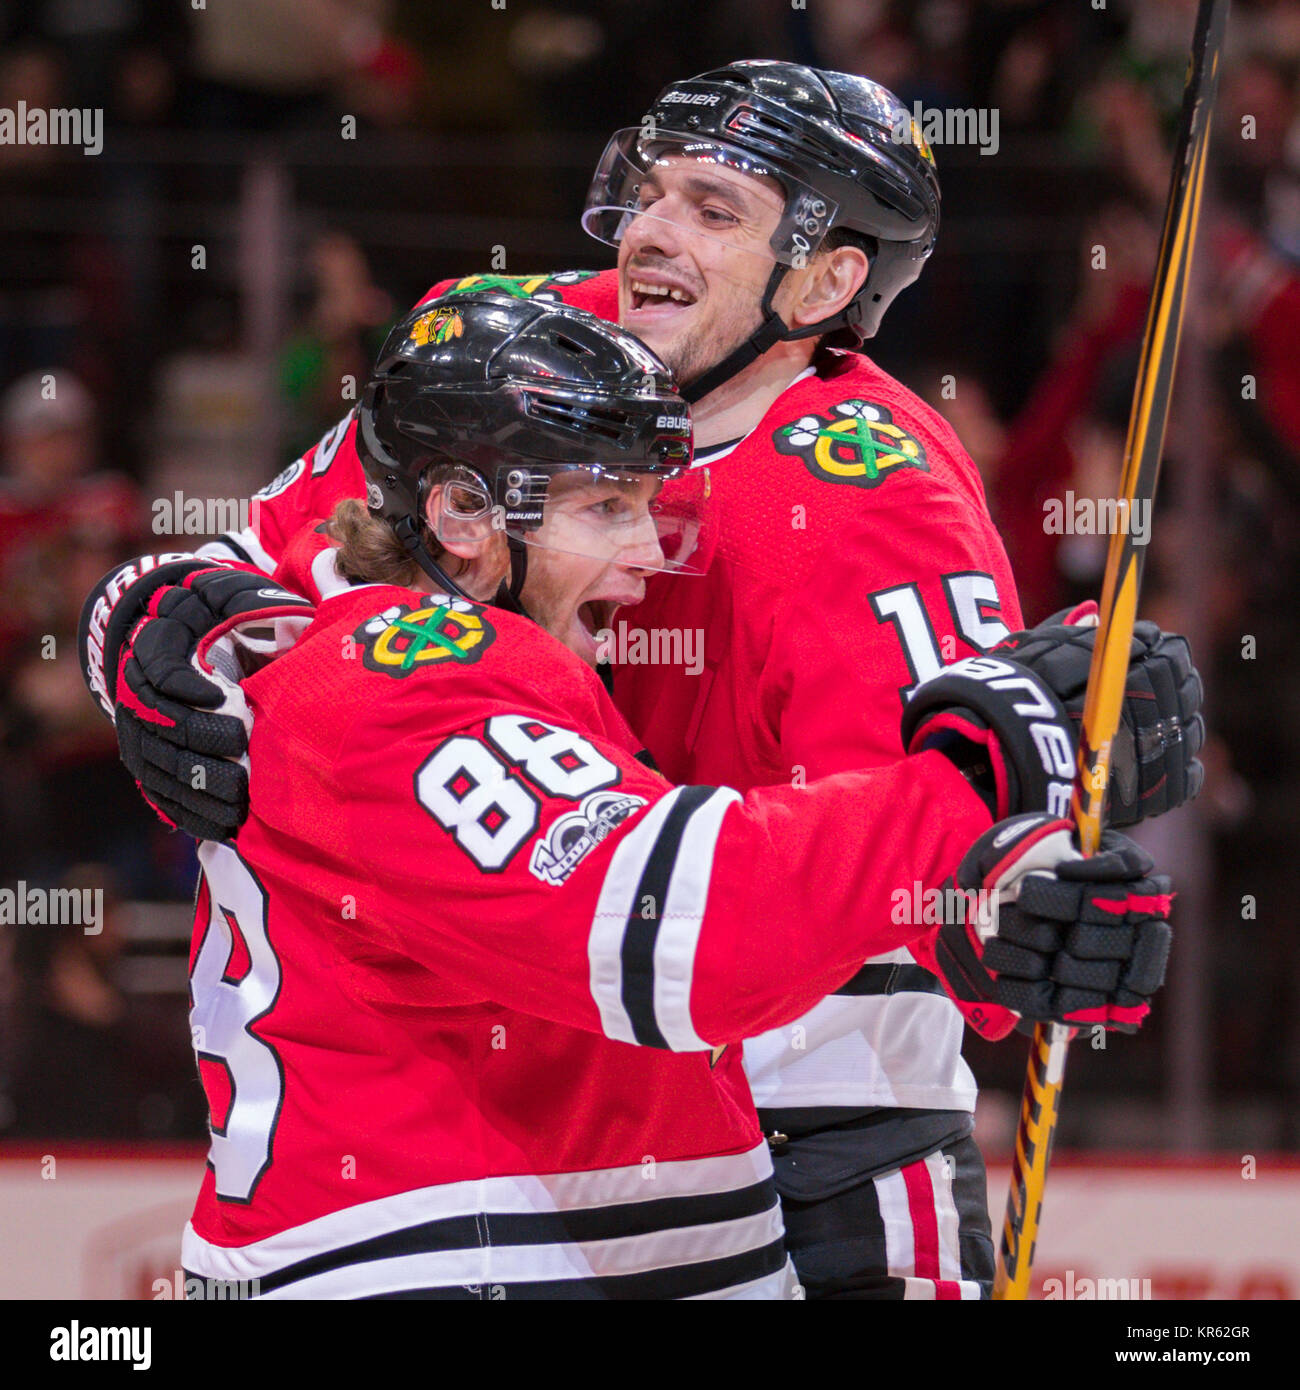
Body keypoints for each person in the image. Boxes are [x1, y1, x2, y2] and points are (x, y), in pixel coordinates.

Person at [79, 64, 1204, 1298]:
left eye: (715, 211)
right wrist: (139, 618)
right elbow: (267, 563)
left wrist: (1021, 906)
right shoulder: (515, 356)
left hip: (804, 1130)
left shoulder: (873, 491)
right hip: (541, 1094)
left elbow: (935, 832)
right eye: (651, 191)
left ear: (828, 280)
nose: (653, 233)